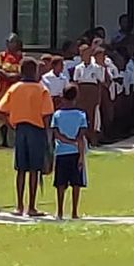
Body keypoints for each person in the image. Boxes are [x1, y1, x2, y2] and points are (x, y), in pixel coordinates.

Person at [0, 58, 54, 217]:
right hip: (36, 130)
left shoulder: (14, 88)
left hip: (21, 129)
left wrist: (11, 125)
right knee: (35, 169)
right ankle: (31, 207)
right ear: (35, 72)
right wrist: (47, 134)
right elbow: (46, 115)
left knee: (21, 169)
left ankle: (19, 206)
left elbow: (1, 109)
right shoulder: (41, 90)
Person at [51, 86, 89, 220]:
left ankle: (60, 211)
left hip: (61, 152)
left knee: (60, 183)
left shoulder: (57, 115)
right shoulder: (81, 115)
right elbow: (81, 136)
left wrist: (66, 141)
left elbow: (56, 134)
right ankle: (74, 212)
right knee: (76, 183)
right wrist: (80, 155)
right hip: (75, 153)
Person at [0, 34, 25, 146]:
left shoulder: (22, 57)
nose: (12, 44)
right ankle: (4, 140)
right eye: (10, 42)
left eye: (14, 42)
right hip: (3, 88)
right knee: (2, 112)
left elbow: (24, 71)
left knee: (16, 112)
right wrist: (8, 75)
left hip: (17, 89)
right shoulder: (1, 56)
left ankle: (17, 138)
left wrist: (15, 77)